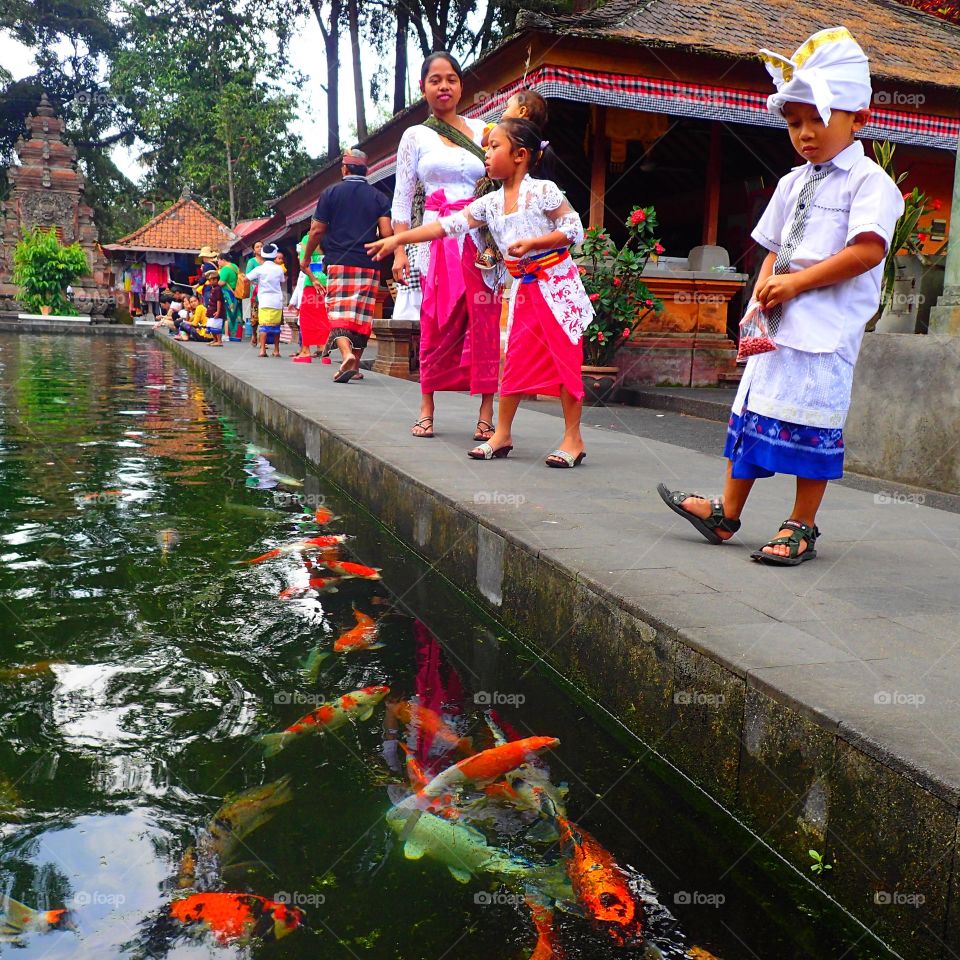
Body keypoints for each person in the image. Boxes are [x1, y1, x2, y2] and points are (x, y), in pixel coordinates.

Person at [657, 27, 904, 566]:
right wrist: (766, 290)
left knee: (811, 423)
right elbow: (771, 248)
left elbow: (865, 251)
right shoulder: (793, 182)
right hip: (777, 326)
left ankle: (802, 524)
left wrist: (794, 282)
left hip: (824, 332)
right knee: (752, 417)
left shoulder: (870, 184)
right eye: (794, 123)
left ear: (858, 118)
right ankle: (726, 511)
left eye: (818, 118)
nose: (805, 133)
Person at [369, 118, 593, 467]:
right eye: (486, 147)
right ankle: (502, 433)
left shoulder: (543, 190)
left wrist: (536, 242)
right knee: (516, 358)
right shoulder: (490, 202)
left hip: (556, 286)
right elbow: (447, 225)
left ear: (520, 154)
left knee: (564, 359)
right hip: (523, 289)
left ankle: (573, 439)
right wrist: (399, 238)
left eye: (494, 147)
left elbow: (574, 227)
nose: (485, 155)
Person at [392, 51, 500, 438]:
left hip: (479, 240)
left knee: (483, 320)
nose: (444, 86)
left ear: (461, 85)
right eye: (435, 80)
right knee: (434, 321)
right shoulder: (414, 136)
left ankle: (487, 412)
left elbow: (505, 176)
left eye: (451, 79)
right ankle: (426, 406)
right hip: (434, 240)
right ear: (423, 87)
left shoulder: (484, 130)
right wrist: (400, 249)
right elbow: (402, 199)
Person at [301, 149, 392, 382]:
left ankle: (347, 354)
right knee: (361, 316)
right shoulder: (379, 197)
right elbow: (386, 233)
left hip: (339, 262)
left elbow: (317, 230)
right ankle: (356, 366)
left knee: (339, 313)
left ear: (344, 169)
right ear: (366, 170)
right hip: (369, 264)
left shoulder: (331, 193)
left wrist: (306, 257)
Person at [475, 90, 549, 270]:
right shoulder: (507, 133)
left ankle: (493, 250)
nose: (502, 112)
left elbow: (484, 142)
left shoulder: (524, 140)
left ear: (522, 111)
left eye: (507, 107)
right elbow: (484, 140)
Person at [290, 236, 328, 362]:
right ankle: (324, 352)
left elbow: (303, 264)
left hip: (312, 282)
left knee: (306, 317)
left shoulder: (308, 238)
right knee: (324, 317)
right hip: (329, 280)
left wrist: (313, 279)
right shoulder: (332, 236)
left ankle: (305, 351)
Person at [246, 243, 286, 358]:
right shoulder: (279, 269)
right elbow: (282, 280)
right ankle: (276, 350)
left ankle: (262, 350)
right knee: (276, 327)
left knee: (263, 326)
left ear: (262, 256)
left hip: (264, 301)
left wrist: (256, 282)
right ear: (274, 256)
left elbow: (246, 278)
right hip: (277, 301)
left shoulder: (259, 269)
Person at [217, 254, 242, 341]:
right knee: (237, 312)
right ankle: (238, 335)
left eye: (218, 260)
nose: (218, 263)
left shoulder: (225, 269)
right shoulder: (234, 266)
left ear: (222, 260)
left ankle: (229, 334)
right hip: (236, 292)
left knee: (228, 313)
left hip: (227, 293)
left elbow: (221, 282)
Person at [245, 241, 263, 349]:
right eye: (257, 247)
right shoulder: (252, 262)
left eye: (261, 246)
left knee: (264, 316)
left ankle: (262, 338)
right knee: (254, 315)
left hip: (265, 291)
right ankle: (254, 334)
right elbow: (248, 277)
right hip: (255, 292)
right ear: (254, 250)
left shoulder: (267, 261)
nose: (260, 248)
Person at [206, 276, 225, 346]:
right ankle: (215, 339)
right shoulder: (213, 289)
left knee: (216, 326)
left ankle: (219, 341)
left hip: (216, 310)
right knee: (211, 326)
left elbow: (218, 301)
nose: (211, 281)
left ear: (216, 280)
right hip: (211, 309)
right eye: (210, 280)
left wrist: (218, 311)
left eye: (213, 280)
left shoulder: (217, 289)